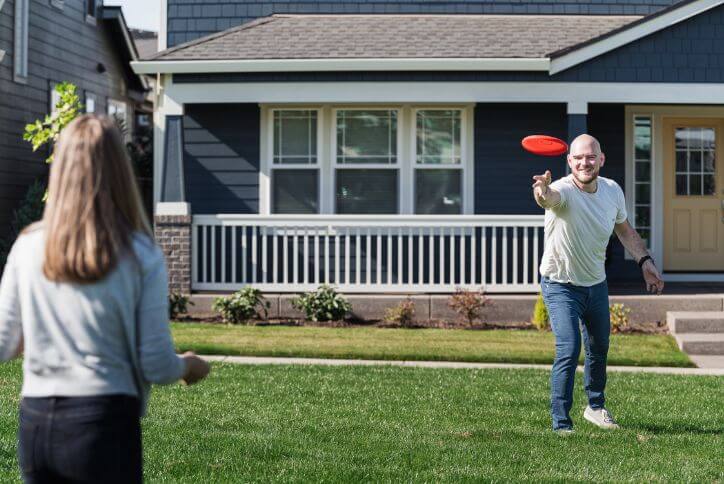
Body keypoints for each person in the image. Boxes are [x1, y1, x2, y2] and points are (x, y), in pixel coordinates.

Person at [0, 115, 211, 482]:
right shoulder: (140, 253)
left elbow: (5, 343)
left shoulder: (29, 245)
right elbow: (156, 365)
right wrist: (190, 366)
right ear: (120, 170)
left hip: (37, 424)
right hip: (105, 423)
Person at [532, 134, 664, 434]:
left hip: (595, 283)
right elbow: (548, 199)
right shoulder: (562, 190)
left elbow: (625, 231)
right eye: (578, 158)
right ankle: (561, 424)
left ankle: (595, 407)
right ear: (569, 161)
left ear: (601, 159)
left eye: (590, 157)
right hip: (561, 284)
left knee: (599, 346)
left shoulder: (612, 191)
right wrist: (541, 191)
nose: (584, 162)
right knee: (568, 348)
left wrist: (645, 262)